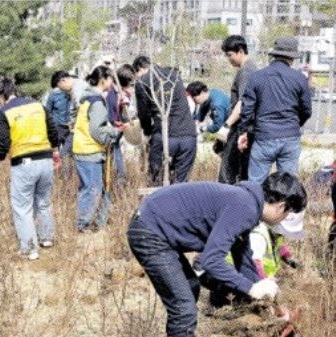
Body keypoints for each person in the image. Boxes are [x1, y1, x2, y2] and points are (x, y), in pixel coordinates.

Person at [127, 172, 307, 337]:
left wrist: (269, 300)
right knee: (184, 308)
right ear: (281, 207)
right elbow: (211, 261)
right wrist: (251, 289)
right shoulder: (245, 207)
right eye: (287, 214)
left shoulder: (248, 202)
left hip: (153, 225)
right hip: (150, 231)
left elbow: (243, 258)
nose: (283, 220)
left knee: (190, 288)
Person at [0, 78, 60, 260]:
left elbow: (3, 142)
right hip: (45, 160)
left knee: (22, 207)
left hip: (24, 163)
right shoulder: (37, 105)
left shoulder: (3, 112)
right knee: (44, 201)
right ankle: (46, 238)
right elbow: (53, 130)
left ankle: (30, 248)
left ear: (1, 96)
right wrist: (54, 150)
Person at [238, 37, 313, 183]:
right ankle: (285, 206)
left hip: (264, 135)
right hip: (290, 137)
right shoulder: (299, 78)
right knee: (288, 185)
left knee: (255, 184)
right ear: (292, 58)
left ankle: (256, 205)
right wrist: (295, 123)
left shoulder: (257, 77)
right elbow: (307, 110)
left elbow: (246, 109)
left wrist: (243, 132)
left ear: (274, 55)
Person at [72, 66, 124, 232]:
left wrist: (109, 127)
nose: (112, 83)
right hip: (90, 151)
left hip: (82, 148)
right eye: (110, 80)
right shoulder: (97, 101)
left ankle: (87, 222)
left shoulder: (87, 98)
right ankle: (84, 224)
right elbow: (96, 130)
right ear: (103, 80)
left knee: (87, 188)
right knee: (93, 189)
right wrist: (114, 133)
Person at [133, 55, 197, 186]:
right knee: (181, 184)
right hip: (188, 135)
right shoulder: (174, 76)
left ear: (140, 68)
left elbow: (143, 113)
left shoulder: (142, 82)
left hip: (164, 136)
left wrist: (147, 130)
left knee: (157, 181)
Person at [219, 35, 258, 184]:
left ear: (240, 51)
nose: (229, 59)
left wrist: (226, 125)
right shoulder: (251, 69)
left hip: (240, 129)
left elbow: (243, 103)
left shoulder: (246, 72)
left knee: (228, 174)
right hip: (245, 129)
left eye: (230, 55)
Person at [105, 64, 135, 183]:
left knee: (114, 149)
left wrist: (125, 105)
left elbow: (126, 115)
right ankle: (115, 178)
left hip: (117, 127)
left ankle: (119, 178)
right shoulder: (109, 91)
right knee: (113, 151)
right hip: (109, 126)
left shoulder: (125, 95)